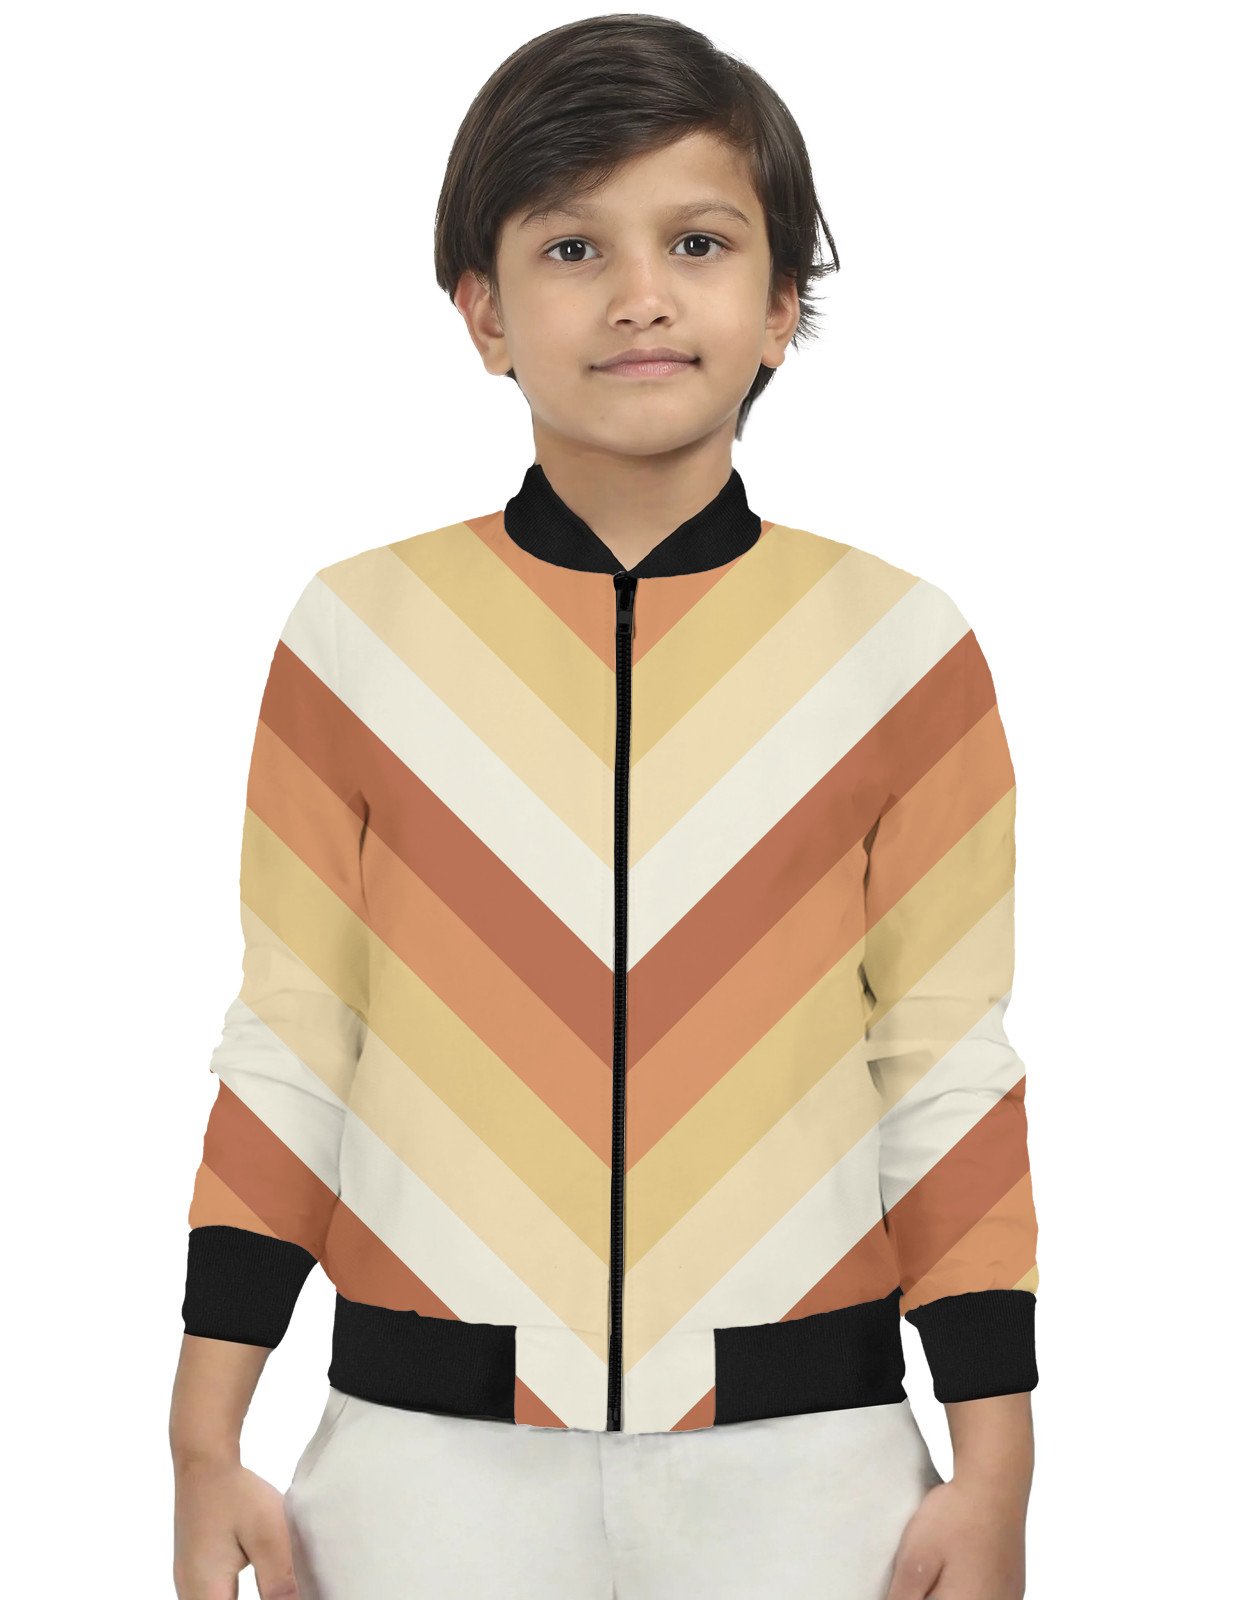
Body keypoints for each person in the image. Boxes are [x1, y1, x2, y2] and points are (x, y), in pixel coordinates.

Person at [169, 14, 1040, 1600]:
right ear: (484, 312)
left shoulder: (903, 650)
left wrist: (998, 1465)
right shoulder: (357, 636)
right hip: (424, 1461)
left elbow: (943, 1060)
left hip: (809, 1459)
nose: (641, 294)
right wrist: (203, 1432)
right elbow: (296, 1032)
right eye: (575, 247)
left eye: (698, 243)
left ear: (780, 307)